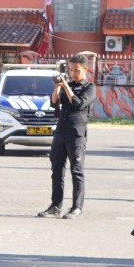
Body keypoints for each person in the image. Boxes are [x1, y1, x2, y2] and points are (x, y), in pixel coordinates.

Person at [37, 54, 96, 219]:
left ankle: (77, 207)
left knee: (76, 171)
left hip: (76, 134)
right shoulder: (67, 85)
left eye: (76, 70)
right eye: (71, 70)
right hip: (60, 132)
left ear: (85, 69)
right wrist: (57, 87)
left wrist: (66, 87)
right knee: (57, 170)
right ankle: (55, 206)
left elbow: (77, 103)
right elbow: (53, 103)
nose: (73, 73)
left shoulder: (89, 87)